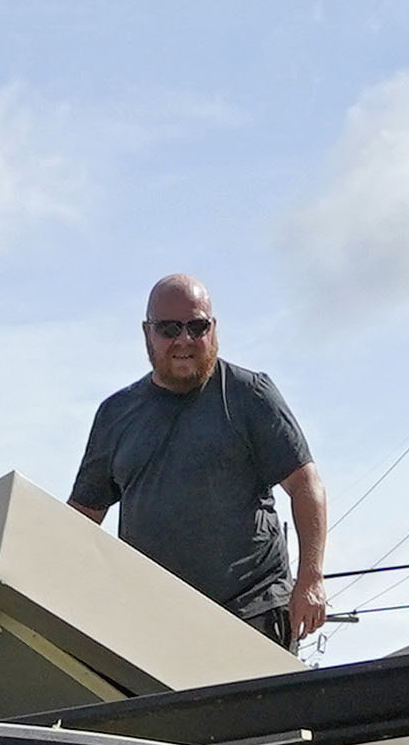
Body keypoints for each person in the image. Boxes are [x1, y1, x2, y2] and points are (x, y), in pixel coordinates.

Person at [69, 275, 325, 644]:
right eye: (169, 328)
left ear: (213, 328)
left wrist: (311, 579)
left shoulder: (250, 395)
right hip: (155, 621)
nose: (184, 340)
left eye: (197, 326)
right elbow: (81, 517)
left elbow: (306, 485)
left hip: (251, 611)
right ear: (147, 334)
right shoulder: (116, 414)